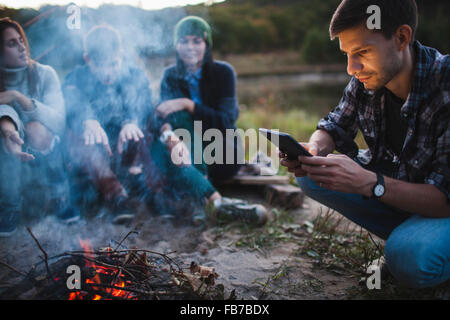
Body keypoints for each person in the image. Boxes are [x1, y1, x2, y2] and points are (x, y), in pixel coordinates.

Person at [280, 0, 449, 289]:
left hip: (442, 203)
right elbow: (334, 124)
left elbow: (445, 199)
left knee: (407, 258)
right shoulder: (367, 78)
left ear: (401, 38)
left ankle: (418, 243)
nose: (351, 68)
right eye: (347, 54)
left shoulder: (444, 83)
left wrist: (370, 183)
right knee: (313, 175)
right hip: (405, 186)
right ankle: (414, 232)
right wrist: (314, 150)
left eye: (362, 52)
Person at [63, 25, 151, 224]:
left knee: (143, 128)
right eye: (100, 65)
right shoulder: (77, 76)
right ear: (87, 59)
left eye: (113, 64)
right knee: (77, 135)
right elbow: (70, 98)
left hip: (124, 153)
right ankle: (115, 193)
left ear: (121, 54)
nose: (107, 73)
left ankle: (139, 186)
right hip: (93, 156)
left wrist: (131, 121)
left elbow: (145, 102)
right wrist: (87, 119)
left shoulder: (134, 75)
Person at [0, 18, 78, 236]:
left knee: (35, 128)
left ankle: (59, 196)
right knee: (5, 132)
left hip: (44, 154)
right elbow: (6, 115)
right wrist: (8, 130)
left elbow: (58, 122)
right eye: (11, 43)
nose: (21, 47)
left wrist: (19, 98)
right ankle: (9, 205)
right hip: (8, 158)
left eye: (21, 41)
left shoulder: (44, 73)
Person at [157, 15, 244, 183]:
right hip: (183, 142)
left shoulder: (224, 72)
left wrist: (188, 104)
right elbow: (163, 115)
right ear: (176, 45)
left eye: (197, 41)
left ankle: (197, 182)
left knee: (227, 158)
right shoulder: (170, 75)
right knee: (160, 151)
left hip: (218, 143)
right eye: (183, 41)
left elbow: (226, 121)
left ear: (207, 45)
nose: (190, 47)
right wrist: (168, 134)